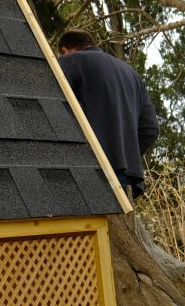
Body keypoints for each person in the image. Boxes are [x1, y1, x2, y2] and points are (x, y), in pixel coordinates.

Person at [57, 29, 159, 199]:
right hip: (127, 175)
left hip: (89, 171)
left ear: (66, 50)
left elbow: (57, 112)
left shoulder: (70, 61)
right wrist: (125, 154)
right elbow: (150, 129)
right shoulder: (132, 74)